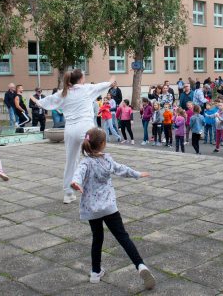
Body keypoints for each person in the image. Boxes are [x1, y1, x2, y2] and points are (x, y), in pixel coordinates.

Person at [69, 128, 156, 290]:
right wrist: (137, 174)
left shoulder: (85, 162)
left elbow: (78, 174)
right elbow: (122, 169)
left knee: (97, 238)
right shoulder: (107, 160)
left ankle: (95, 273)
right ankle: (140, 265)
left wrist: (75, 183)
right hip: (109, 208)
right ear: (102, 144)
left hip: (93, 209)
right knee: (123, 237)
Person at [39, 70, 115, 204]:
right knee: (94, 157)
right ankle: (96, 189)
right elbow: (103, 85)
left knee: (71, 160)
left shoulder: (63, 93)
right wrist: (111, 80)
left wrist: (38, 102)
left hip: (70, 130)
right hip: (86, 128)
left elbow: (46, 102)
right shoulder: (86, 89)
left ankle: (68, 193)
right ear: (80, 79)